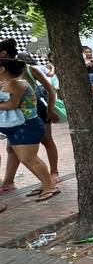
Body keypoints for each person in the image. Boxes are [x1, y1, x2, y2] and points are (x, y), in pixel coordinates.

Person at [0, 40, 60, 192]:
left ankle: (53, 175)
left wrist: (51, 109)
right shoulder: (4, 74)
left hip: (33, 112)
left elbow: (50, 89)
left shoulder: (27, 69)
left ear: (3, 54)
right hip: (15, 118)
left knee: (45, 141)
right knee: (13, 149)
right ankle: (9, 181)